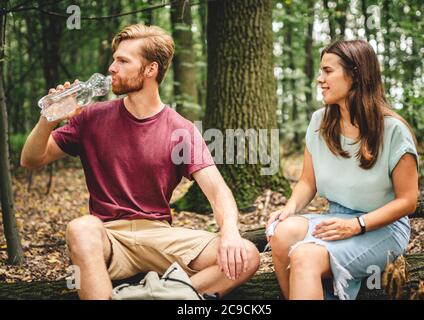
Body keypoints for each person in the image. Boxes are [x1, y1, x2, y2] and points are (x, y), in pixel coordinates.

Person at [21, 24, 260, 300]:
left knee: (248, 255)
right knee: (80, 227)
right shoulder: (90, 118)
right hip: (109, 237)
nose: (112, 67)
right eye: (114, 59)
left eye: (123, 61)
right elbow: (31, 159)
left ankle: (147, 296)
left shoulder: (180, 129)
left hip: (159, 235)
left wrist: (229, 233)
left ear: (150, 70)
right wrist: (46, 121)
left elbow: (219, 193)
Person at [266, 40, 419, 300]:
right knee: (281, 234)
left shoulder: (393, 130)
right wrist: (289, 209)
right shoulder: (319, 122)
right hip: (337, 218)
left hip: (383, 227)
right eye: (320, 71)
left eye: (328, 71)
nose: (319, 79)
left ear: (356, 75)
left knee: (305, 256)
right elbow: (307, 182)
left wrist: (357, 225)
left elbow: (408, 201)